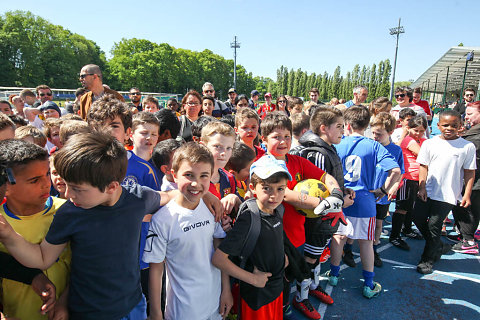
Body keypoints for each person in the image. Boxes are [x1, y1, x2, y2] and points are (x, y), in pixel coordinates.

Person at [0, 131, 222, 319]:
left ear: (111, 186)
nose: (67, 194)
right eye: (66, 185)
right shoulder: (70, 213)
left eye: (77, 188)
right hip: (89, 312)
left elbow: (171, 195)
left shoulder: (138, 199)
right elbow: (42, 258)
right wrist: (9, 235)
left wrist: (205, 196)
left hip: (134, 306)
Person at [260, 111, 344, 319]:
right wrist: (325, 204)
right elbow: (286, 195)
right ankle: (281, 309)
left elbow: (326, 176)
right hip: (273, 237)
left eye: (287, 136)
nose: (283, 141)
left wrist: (335, 193)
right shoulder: (264, 165)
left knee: (291, 275)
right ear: (263, 139)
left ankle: (294, 302)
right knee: (275, 280)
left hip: (297, 233)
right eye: (276, 137)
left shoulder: (297, 160)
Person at [143, 142, 232, 320]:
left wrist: (226, 290)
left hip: (214, 304)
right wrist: (156, 313)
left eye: (203, 176)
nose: (195, 183)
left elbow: (219, 249)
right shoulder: (162, 219)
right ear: (174, 175)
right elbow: (156, 269)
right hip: (182, 310)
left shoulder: (212, 208)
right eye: (189, 175)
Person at [329, 106, 401, 298]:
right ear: (367, 125)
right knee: (366, 243)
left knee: (338, 238)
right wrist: (383, 190)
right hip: (365, 201)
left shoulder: (337, 144)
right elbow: (396, 171)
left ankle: (334, 275)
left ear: (348, 125)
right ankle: (369, 284)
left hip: (341, 200)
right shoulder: (374, 145)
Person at [289, 107, 355, 309]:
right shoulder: (316, 152)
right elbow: (315, 192)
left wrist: (344, 191)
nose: (343, 131)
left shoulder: (327, 148)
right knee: (310, 258)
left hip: (327, 217)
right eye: (339, 126)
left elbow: (331, 183)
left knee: (317, 256)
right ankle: (301, 296)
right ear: (324, 128)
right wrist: (340, 202)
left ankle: (313, 286)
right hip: (317, 219)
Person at [213, 155, 291, 320]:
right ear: (253, 187)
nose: (274, 196)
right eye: (267, 188)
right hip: (256, 296)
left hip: (275, 289)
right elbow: (219, 259)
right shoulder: (250, 218)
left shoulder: (279, 209)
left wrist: (282, 255)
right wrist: (253, 279)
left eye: (280, 189)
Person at [0, 139, 70, 320]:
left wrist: (65, 301)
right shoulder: (2, 223)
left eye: (47, 174)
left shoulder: (68, 211)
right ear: (6, 186)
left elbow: (86, 266)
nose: (47, 183)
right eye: (34, 180)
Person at [413, 110, 476, 274]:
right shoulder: (429, 143)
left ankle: (427, 259)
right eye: (445, 125)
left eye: (454, 125)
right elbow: (423, 166)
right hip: (428, 190)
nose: (449, 128)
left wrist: (467, 194)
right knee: (417, 218)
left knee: (434, 225)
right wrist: (422, 187)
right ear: (438, 125)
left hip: (448, 194)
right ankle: (437, 245)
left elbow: (469, 172)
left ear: (460, 126)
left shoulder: (467, 147)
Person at [369, 112, 404, 266]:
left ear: (390, 132)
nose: (375, 136)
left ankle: (374, 248)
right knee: (362, 222)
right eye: (373, 133)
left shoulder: (396, 151)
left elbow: (400, 172)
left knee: (378, 223)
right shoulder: (369, 146)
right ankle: (350, 248)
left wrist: (394, 186)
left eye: (379, 134)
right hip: (367, 192)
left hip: (382, 195)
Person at [389, 115, 427, 251]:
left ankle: (407, 229)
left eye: (422, 131)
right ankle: (394, 236)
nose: (419, 133)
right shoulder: (408, 140)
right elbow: (424, 155)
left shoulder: (422, 140)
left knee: (410, 207)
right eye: (416, 130)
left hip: (417, 178)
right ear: (409, 129)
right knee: (402, 207)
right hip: (407, 178)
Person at [449, 101, 480, 254]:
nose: (466, 117)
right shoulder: (472, 131)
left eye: (470, 114)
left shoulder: (476, 136)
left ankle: (468, 240)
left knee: (467, 208)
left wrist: (456, 137)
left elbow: (466, 150)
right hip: (470, 179)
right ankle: (465, 236)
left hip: (474, 180)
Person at [200, 121, 241, 217]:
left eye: (229, 148)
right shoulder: (194, 180)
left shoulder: (229, 178)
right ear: (203, 146)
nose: (224, 153)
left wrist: (234, 199)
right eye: (218, 147)